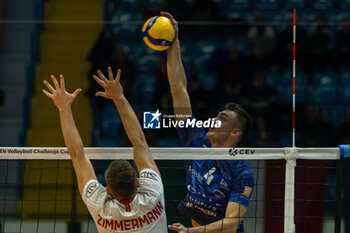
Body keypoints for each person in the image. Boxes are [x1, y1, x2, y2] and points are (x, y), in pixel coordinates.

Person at [42, 67, 167, 233]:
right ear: (138, 182)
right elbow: (140, 142)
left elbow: (77, 155)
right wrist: (119, 97)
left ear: (108, 190)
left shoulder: (100, 207)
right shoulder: (153, 195)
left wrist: (63, 108)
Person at [161, 12, 254, 233]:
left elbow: (231, 225)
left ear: (235, 133)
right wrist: (174, 43)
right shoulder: (195, 137)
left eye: (223, 119)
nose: (215, 120)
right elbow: (178, 90)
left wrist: (190, 232)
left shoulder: (242, 171)